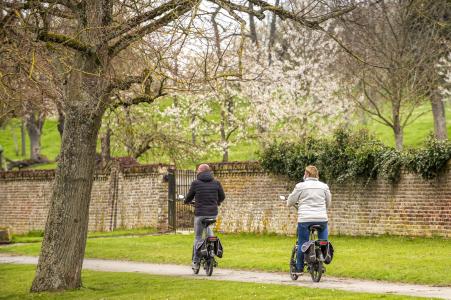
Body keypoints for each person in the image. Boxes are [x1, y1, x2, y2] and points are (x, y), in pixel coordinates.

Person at [287, 165, 331, 273]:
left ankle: (299, 269)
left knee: (302, 243)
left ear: (306, 174)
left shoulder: (300, 186)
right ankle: (324, 254)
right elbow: (328, 203)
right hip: (321, 219)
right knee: (323, 240)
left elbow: (290, 202)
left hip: (305, 219)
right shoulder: (324, 186)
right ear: (317, 175)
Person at [185, 163, 225, 271]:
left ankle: (196, 262)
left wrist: (186, 201)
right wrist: (217, 202)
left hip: (200, 214)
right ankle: (212, 248)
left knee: (198, 237)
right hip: (212, 213)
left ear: (201, 171)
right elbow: (222, 196)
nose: (197, 172)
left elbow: (189, 197)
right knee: (209, 229)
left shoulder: (196, 183)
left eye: (198, 170)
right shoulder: (216, 183)